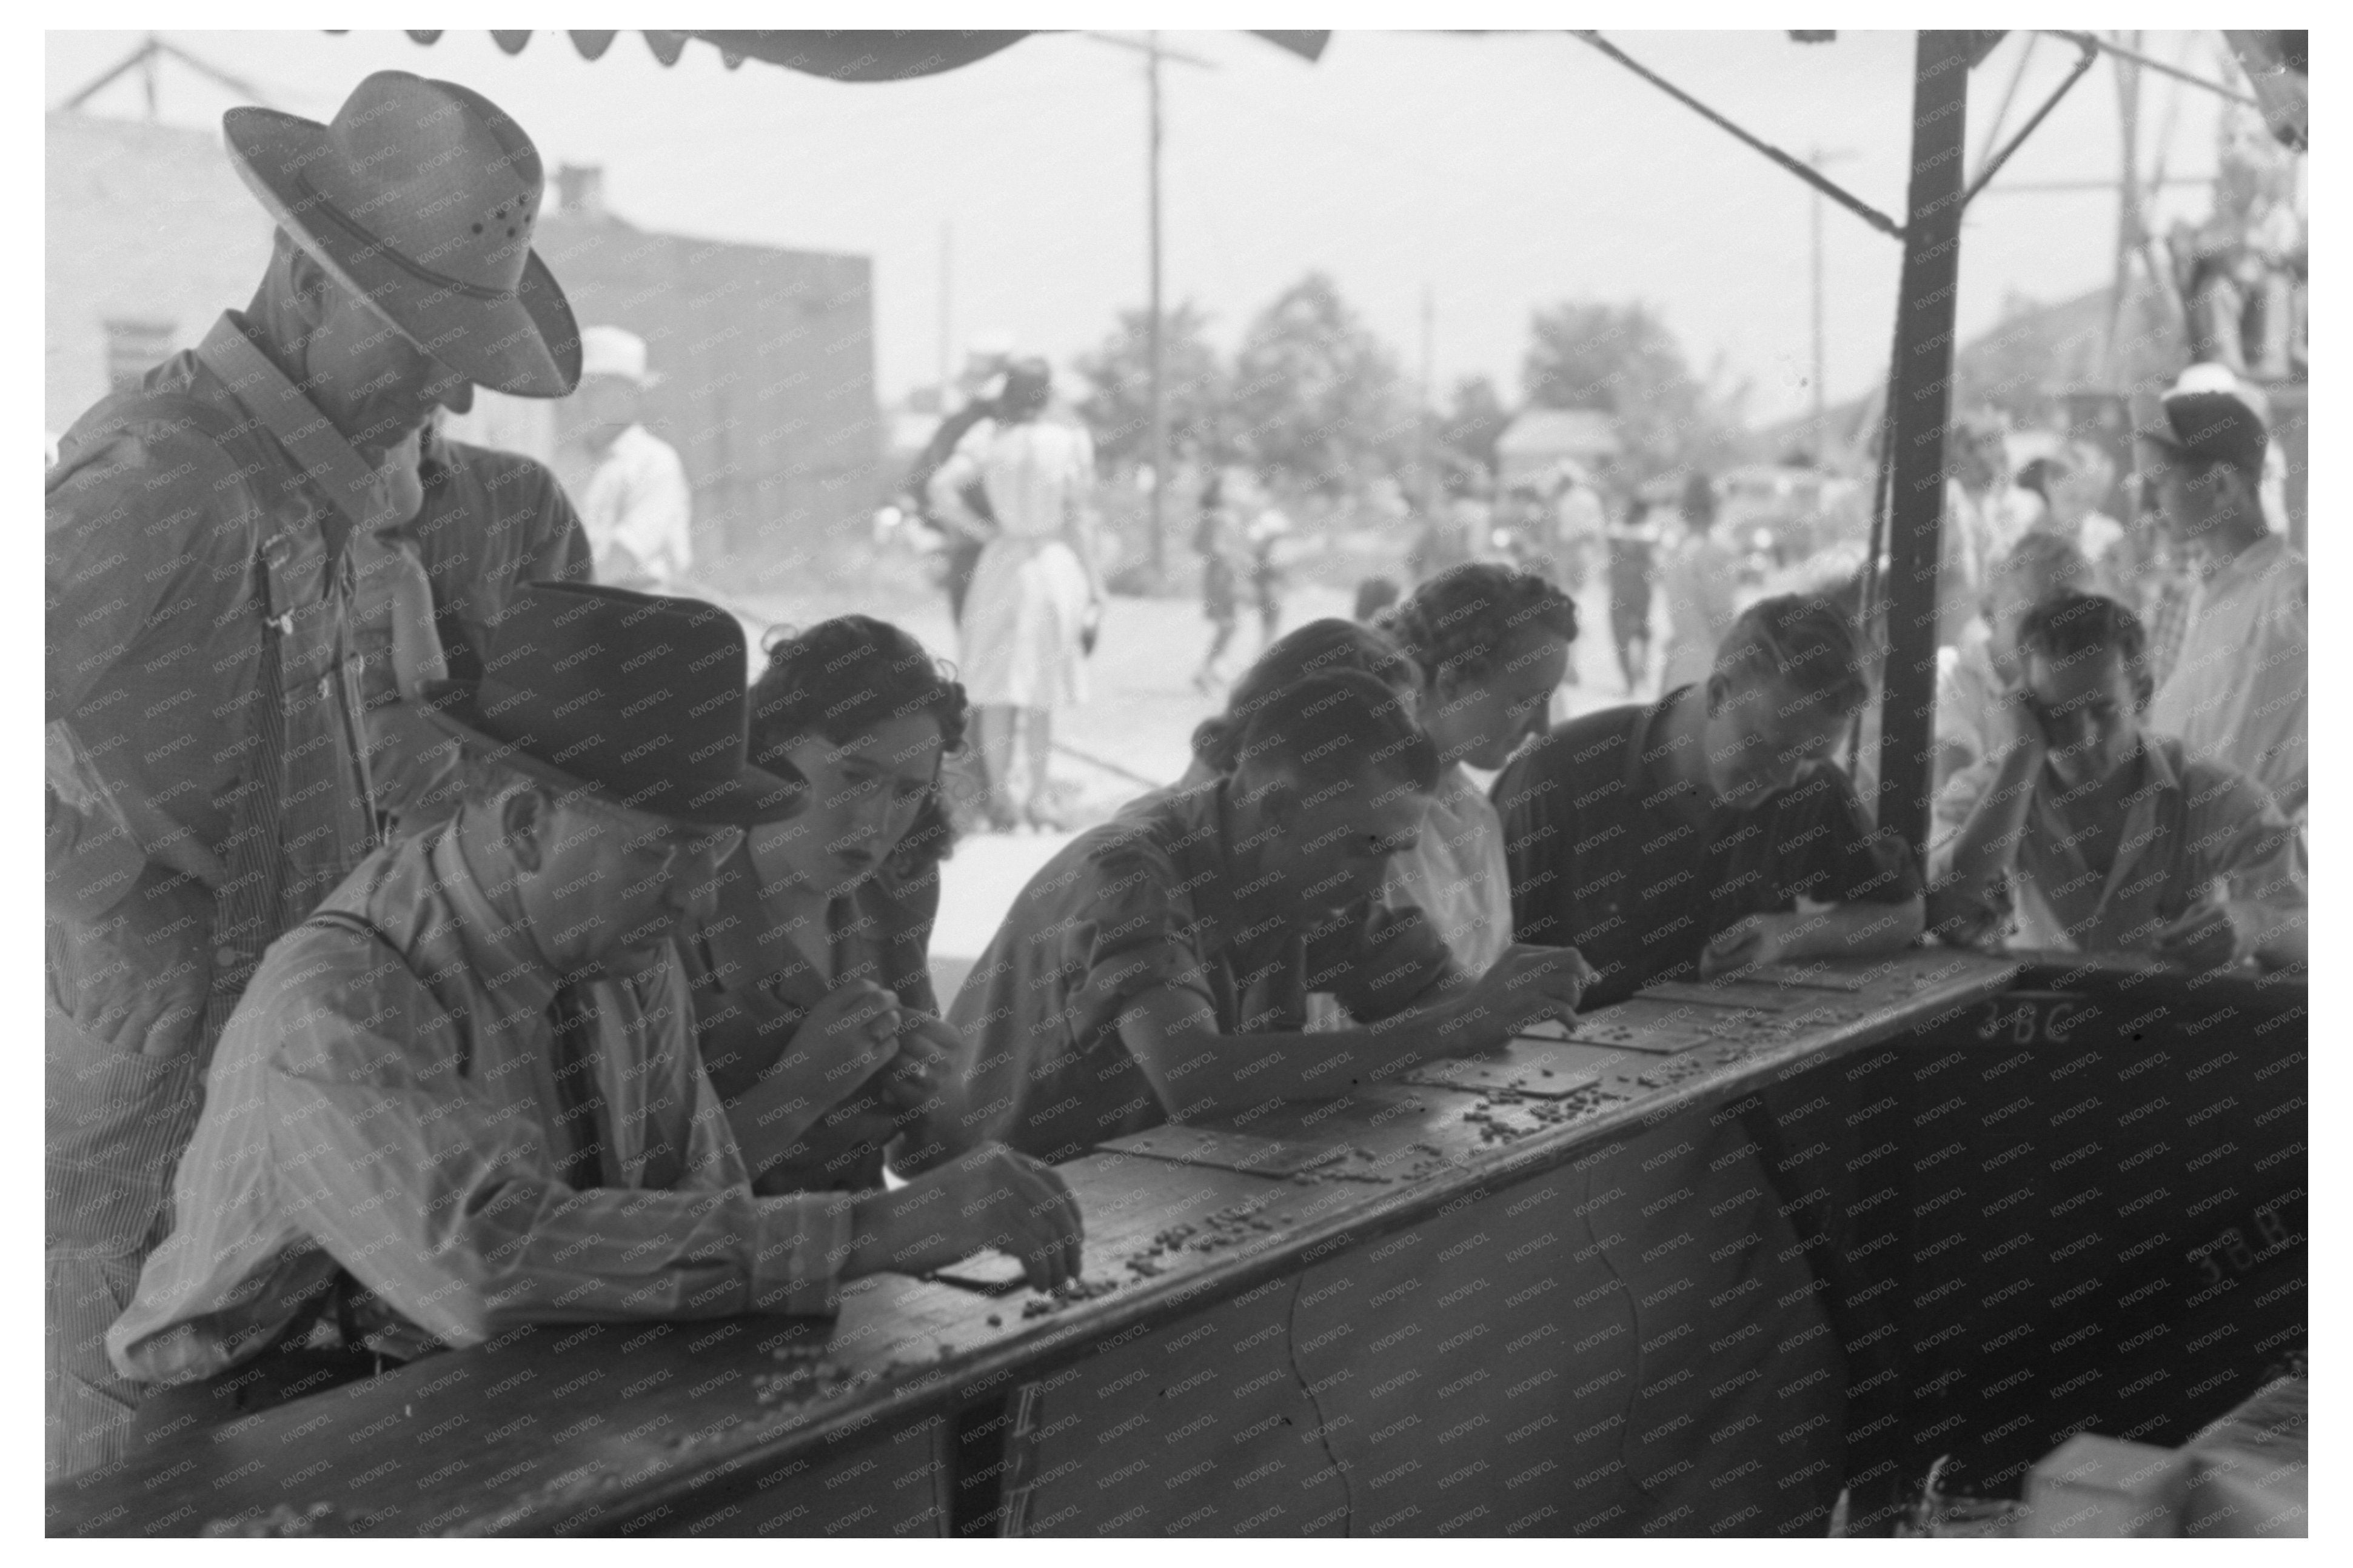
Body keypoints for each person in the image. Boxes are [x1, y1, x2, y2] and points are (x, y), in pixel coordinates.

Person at [107, 584, 1085, 1430]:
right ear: (528, 823)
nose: (697, 900)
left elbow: (700, 1202)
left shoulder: (625, 944)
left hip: (491, 1381)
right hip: (268, 1422)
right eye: (661, 854)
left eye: (708, 859)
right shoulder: (341, 1000)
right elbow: (484, 1268)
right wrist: (872, 1232)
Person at [42, 69, 581, 1482]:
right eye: (423, 338)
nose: (454, 383)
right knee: (111, 1477)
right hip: (130, 1144)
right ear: (302, 278)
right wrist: (108, 884)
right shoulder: (163, 474)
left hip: (262, 1127)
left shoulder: (334, 489)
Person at [947, 672, 1595, 1163]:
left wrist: (1497, 1005)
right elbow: (1195, 1077)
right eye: (1359, 847)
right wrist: (1454, 1025)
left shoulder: (1319, 874)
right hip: (995, 1210)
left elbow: (1441, 996)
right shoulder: (1127, 875)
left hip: (1148, 1181)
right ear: (1274, 809)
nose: (1375, 879)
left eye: (1392, 851)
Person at [1496, 593, 1924, 1008]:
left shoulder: (1810, 786)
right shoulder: (1557, 777)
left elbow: (1903, 913)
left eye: (1813, 756)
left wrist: (1788, 935)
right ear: (1719, 694)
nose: (1784, 776)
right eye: (1768, 746)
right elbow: (1476, 971)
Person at [676, 616, 974, 1195]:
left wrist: (933, 1094)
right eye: (854, 776)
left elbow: (925, 1152)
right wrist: (799, 1091)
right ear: (765, 753)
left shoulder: (896, 887)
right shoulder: (678, 902)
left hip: (867, 1254)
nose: (876, 823)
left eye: (908, 792)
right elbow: (643, 1204)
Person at [1929, 592, 2304, 969]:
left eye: (2101, 711)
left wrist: (2255, 924)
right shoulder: (1987, 790)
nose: (2081, 738)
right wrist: (2021, 755)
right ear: (2024, 705)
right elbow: (1946, 912)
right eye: (2056, 714)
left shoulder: (2212, 793)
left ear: (2142, 696)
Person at [350, 412, 597, 838]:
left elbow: (570, 710)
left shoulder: (522, 496)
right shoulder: (273, 517)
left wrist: (444, 734)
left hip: (470, 833)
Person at [1376, 565, 1579, 975]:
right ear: (1451, 681)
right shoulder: (1368, 822)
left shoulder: (1476, 814)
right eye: (1524, 701)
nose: (1541, 727)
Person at [930, 357, 1104, 832]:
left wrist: (982, 530)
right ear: (1047, 395)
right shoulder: (1068, 442)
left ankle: (1003, 798)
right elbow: (1078, 518)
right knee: (1040, 691)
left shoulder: (988, 437)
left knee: (996, 687)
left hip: (1002, 560)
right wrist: (1095, 585)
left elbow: (940, 488)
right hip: (1050, 562)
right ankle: (1038, 796)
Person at [2138, 368, 2307, 823]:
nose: (2144, 505)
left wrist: (2272, 815)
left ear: (2220, 486)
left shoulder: (2293, 591)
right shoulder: (2206, 592)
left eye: (2158, 482)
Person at [1932, 532, 2093, 791]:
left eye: (2067, 622)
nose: (2045, 636)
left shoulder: (2079, 690)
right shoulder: (1949, 674)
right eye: (2028, 617)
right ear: (1990, 605)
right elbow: (1955, 800)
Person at [554, 324, 693, 590]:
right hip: (577, 604)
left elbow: (622, 558)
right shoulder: (565, 460)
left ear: (632, 395)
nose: (583, 399)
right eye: (579, 388)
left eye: (596, 389)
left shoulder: (656, 462)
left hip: (644, 610)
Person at [1939, 409, 2041, 649]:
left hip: (1998, 636)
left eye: (1997, 441)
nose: (1997, 452)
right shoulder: (1948, 501)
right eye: (1984, 443)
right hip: (1951, 636)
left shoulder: (2015, 505)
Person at [1657, 472, 1741, 693]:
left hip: (1678, 670)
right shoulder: (1714, 552)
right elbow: (1722, 620)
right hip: (1710, 671)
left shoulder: (1675, 551)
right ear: (1714, 507)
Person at [1192, 470, 1250, 692]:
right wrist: (1225, 554)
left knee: (1232, 624)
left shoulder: (1225, 515)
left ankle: (1215, 667)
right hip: (1221, 575)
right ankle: (1206, 671)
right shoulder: (1215, 516)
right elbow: (1201, 546)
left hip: (1230, 573)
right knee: (1229, 623)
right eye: (1229, 486)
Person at [1604, 498, 1660, 692]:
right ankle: (1639, 676)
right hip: (1640, 591)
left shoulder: (1616, 532)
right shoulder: (1649, 533)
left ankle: (1631, 681)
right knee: (1642, 634)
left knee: (1623, 638)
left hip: (1622, 591)